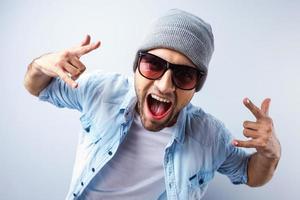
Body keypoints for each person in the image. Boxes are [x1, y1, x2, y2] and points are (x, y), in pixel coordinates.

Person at [24, 9, 281, 200]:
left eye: (184, 75)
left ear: (196, 85)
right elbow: (37, 87)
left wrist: (271, 153)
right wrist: (40, 64)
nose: (165, 86)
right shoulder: (101, 91)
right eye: (154, 65)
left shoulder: (209, 136)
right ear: (136, 66)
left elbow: (250, 174)